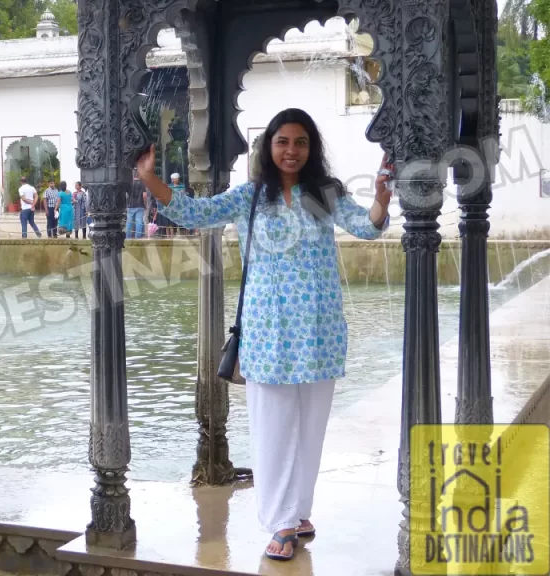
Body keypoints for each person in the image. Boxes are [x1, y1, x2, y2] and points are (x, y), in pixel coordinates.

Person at [135, 108, 394, 562]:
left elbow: (367, 228)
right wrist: (150, 179)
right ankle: (281, 522)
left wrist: (380, 199)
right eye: (282, 142)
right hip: (269, 332)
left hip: (320, 331)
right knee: (273, 430)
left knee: (310, 430)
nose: (291, 151)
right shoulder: (251, 196)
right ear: (268, 147)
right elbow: (196, 214)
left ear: (311, 149)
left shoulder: (326, 195)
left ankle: (297, 511)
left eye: (300, 142)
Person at [126, 171, 148, 238]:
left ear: (133, 175)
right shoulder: (143, 183)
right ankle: (137, 237)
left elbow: (126, 194)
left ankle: (128, 237)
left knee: (129, 222)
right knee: (139, 221)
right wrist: (145, 203)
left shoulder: (129, 183)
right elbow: (144, 195)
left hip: (130, 205)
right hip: (140, 205)